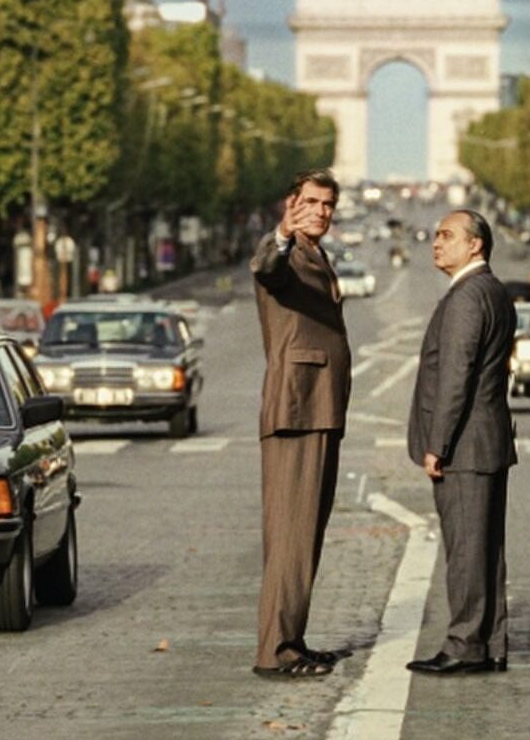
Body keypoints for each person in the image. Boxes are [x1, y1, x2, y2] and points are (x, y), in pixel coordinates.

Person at [249, 169, 353, 679]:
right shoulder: (285, 252)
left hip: (317, 407)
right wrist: (283, 236)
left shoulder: (318, 253)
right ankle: (276, 651)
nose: (321, 211)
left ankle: (292, 638)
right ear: (290, 205)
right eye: (310, 202)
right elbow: (266, 267)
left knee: (304, 533)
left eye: (328, 204)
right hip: (297, 407)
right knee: (291, 534)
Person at [406, 208, 517, 675]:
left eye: (447, 235)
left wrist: (438, 443)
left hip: (466, 445)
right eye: (435, 235)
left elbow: (456, 375)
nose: (436, 243)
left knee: (467, 550)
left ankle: (464, 645)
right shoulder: (494, 290)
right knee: (486, 550)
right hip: (487, 440)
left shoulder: (467, 297)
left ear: (476, 245)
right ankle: (490, 643)